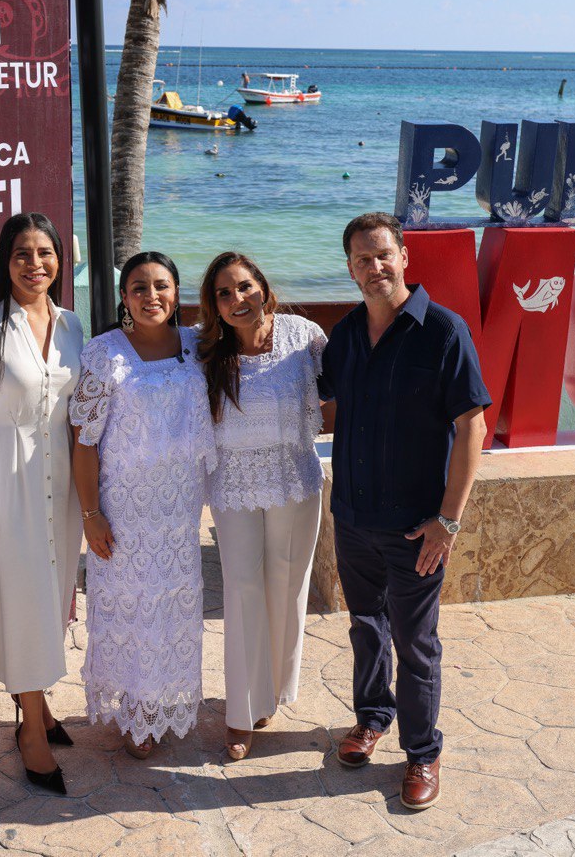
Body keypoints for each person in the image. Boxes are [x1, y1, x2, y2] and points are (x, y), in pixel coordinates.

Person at [319, 212, 490, 811]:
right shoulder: (342, 338)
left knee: (416, 642)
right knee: (365, 626)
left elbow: (474, 425)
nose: (374, 267)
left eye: (383, 255)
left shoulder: (444, 332)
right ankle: (372, 718)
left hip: (418, 527)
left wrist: (448, 519)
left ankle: (422, 752)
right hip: (353, 519)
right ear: (349, 267)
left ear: (404, 257)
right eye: (362, 259)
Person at [0, 212, 84, 795]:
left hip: (62, 489)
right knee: (23, 597)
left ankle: (39, 702)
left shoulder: (74, 325)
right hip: (7, 487)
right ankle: (29, 726)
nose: (35, 264)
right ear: (4, 262)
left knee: (51, 596)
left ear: (60, 259)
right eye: (22, 254)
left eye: (45, 253)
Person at [69, 251, 214, 759]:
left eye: (161, 286)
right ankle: (135, 712)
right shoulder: (104, 353)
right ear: (123, 298)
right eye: (138, 287)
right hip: (124, 508)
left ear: (176, 293)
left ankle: (159, 705)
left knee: (173, 608)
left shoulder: (199, 345)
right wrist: (91, 514)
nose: (151, 296)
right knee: (130, 608)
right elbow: (84, 440)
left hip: (178, 511)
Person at [195, 252, 326, 761]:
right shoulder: (207, 351)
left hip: (295, 479)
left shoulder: (303, 335)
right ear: (214, 306)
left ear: (263, 288)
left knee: (288, 583)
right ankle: (242, 712)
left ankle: (273, 689)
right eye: (224, 294)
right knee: (243, 587)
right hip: (233, 484)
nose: (237, 300)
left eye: (244, 287)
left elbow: (350, 381)